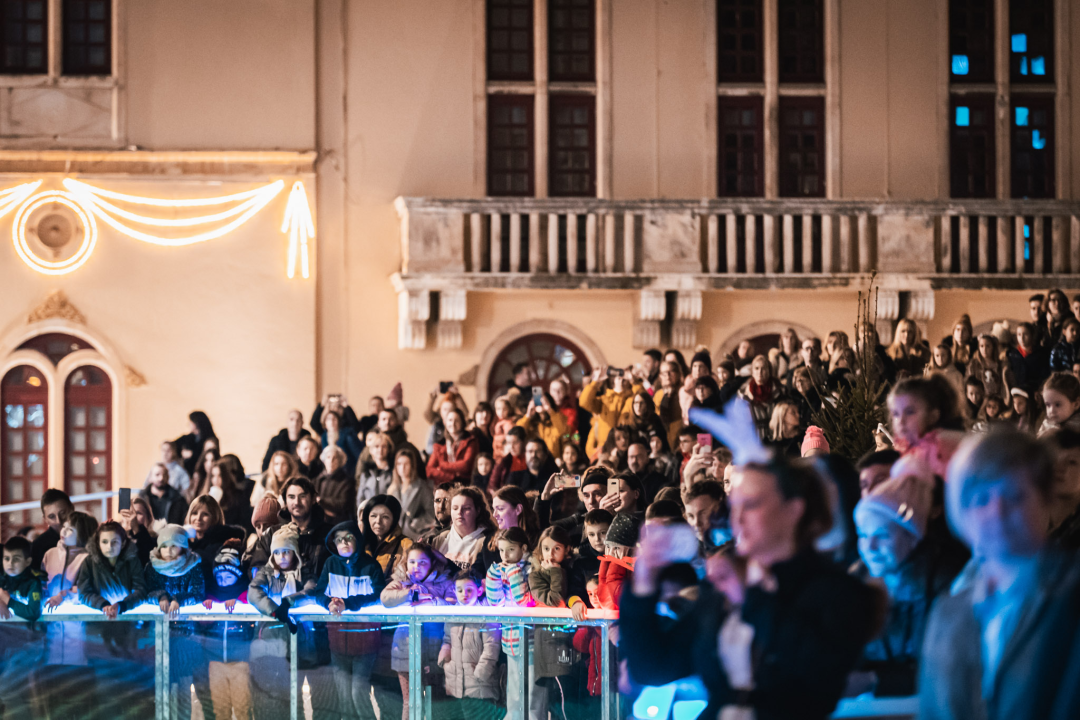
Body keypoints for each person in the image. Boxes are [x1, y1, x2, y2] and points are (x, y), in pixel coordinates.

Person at [622, 458, 880, 720]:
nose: (738, 518)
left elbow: (820, 673)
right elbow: (654, 667)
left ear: (793, 510)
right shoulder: (725, 586)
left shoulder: (836, 590)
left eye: (752, 505)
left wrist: (751, 601)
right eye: (734, 505)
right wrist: (643, 586)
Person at [919, 428, 1080, 720]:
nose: (997, 512)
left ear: (1044, 499)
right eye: (980, 499)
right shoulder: (948, 612)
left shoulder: (1072, 594)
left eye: (1014, 496)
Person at [852, 475, 965, 696]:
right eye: (862, 535)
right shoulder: (856, 580)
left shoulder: (946, 585)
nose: (870, 546)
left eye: (882, 535)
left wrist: (874, 680)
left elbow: (951, 669)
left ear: (912, 537)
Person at [313, 521, 386, 720]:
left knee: (358, 693)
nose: (343, 542)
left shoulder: (371, 565)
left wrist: (349, 603)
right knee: (344, 697)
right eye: (339, 540)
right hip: (337, 641)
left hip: (365, 642)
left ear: (358, 540)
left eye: (349, 538)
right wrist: (328, 603)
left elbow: (378, 595)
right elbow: (319, 592)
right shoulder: (330, 564)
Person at [381, 543, 457, 720]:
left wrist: (432, 602)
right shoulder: (401, 583)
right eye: (412, 562)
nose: (416, 567)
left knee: (434, 702)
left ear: (431, 563)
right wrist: (408, 594)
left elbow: (453, 604)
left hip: (433, 649)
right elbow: (385, 598)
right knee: (410, 702)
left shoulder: (443, 582)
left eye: (422, 562)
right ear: (406, 564)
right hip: (405, 650)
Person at [438, 570, 502, 713]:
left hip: (480, 687)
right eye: (460, 590)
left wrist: (480, 675)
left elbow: (491, 648)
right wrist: (444, 661)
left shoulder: (486, 615)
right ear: (454, 591)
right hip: (455, 684)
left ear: (479, 591)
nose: (464, 594)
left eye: (469, 590)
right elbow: (447, 640)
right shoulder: (452, 615)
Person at [248, 477, 334, 577]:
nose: (296, 502)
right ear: (285, 500)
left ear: (313, 499)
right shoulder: (271, 534)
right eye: (291, 497)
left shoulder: (329, 534)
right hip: (280, 591)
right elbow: (256, 568)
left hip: (317, 591)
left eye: (302, 496)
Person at [888, 375, 966, 479]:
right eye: (896, 414)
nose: (901, 421)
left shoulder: (940, 451)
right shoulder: (903, 449)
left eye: (910, 412)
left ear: (932, 416)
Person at [77, 521, 147, 618]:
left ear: (123, 543)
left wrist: (122, 605)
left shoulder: (132, 561)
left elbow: (140, 590)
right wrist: (103, 605)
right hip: (96, 621)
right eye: (104, 542)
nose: (109, 547)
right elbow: (83, 593)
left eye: (114, 542)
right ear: (98, 543)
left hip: (128, 620)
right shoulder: (89, 562)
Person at [537, 467, 609, 548]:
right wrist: (544, 499)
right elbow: (544, 533)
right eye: (586, 495)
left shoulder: (621, 519)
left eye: (597, 494)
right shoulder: (578, 521)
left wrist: (606, 517)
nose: (591, 501)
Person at [144, 524, 205, 618]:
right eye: (164, 546)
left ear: (182, 547)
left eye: (173, 545)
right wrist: (160, 596)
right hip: (159, 620)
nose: (168, 550)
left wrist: (178, 600)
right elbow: (146, 591)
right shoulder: (152, 567)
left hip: (186, 621)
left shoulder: (192, 565)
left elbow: (198, 594)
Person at [43, 510, 98, 610]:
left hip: (77, 617)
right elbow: (42, 584)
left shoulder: (88, 559)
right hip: (49, 616)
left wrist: (63, 596)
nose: (63, 531)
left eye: (70, 530)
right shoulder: (50, 554)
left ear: (83, 534)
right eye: (64, 526)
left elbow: (86, 590)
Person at [433, 487, 496, 573]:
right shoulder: (439, 540)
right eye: (455, 508)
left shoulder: (487, 541)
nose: (459, 512)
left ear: (477, 511)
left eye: (466, 508)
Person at [387, 447, 436, 541]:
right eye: (399, 464)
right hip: (395, 536)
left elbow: (431, 512)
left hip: (413, 535)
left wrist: (415, 524)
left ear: (412, 466)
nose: (402, 468)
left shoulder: (421, 487)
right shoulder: (393, 488)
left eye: (406, 464)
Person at [737, 355, 786, 439]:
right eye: (756, 368)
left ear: (769, 371)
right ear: (752, 371)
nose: (759, 372)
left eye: (763, 368)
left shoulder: (780, 392)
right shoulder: (743, 395)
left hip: (778, 441)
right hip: (755, 443)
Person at [427, 408, 479, 486]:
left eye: (456, 420)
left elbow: (465, 465)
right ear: (445, 422)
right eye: (450, 420)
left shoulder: (470, 441)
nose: (453, 423)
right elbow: (429, 470)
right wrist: (451, 476)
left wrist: (442, 465)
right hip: (443, 486)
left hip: (465, 484)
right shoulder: (440, 444)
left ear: (462, 423)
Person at [0, 536, 42, 621]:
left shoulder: (33, 583)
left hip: (32, 631)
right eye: (6, 559)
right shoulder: (2, 577)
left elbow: (33, 613)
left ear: (27, 562)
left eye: (16, 559)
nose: (10, 563)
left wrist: (8, 600)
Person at [31, 489, 74, 571]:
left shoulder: (88, 538)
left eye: (62, 513)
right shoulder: (38, 547)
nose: (59, 521)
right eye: (51, 517)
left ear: (72, 508)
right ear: (45, 519)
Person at [516, 391, 569, 458]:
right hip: (534, 460)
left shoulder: (557, 418)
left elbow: (563, 432)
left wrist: (549, 410)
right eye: (537, 401)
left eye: (543, 401)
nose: (540, 403)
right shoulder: (529, 423)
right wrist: (528, 415)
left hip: (553, 461)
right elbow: (517, 433)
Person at [315, 445, 357, 526]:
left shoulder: (347, 481)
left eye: (335, 458)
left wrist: (321, 501)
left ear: (340, 461)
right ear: (324, 460)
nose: (331, 460)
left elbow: (343, 504)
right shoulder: (318, 479)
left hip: (339, 523)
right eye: (328, 457)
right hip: (319, 521)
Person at [357, 431, 395, 509]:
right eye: (377, 446)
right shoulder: (366, 473)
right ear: (371, 450)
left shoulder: (393, 472)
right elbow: (360, 498)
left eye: (384, 446)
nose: (380, 450)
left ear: (388, 449)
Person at [1038, 371, 1080, 436]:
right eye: (1048, 405)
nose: (1051, 410)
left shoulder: (1076, 430)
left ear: (1076, 404)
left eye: (1057, 405)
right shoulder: (1047, 423)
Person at [176, 411, 217, 476]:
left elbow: (208, 455)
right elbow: (172, 446)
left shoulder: (210, 440)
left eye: (190, 422)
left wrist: (192, 454)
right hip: (188, 473)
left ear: (196, 423)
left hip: (203, 474)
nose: (188, 424)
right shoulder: (189, 437)